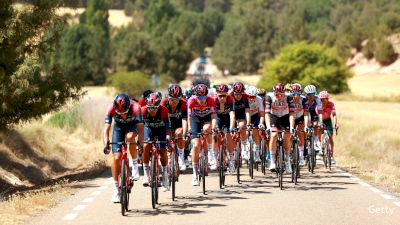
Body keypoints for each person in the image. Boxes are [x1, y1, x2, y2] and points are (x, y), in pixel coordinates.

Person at [103, 94, 144, 202]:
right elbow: (106, 129)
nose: (123, 116)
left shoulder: (136, 107)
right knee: (116, 158)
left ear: (128, 107)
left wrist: (140, 145)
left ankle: (134, 165)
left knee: (130, 137)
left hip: (132, 126)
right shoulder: (111, 108)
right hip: (118, 128)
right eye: (120, 113)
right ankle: (116, 189)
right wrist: (106, 144)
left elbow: (140, 130)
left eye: (125, 113)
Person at [141, 93, 171, 192]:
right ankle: (145, 173)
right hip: (148, 128)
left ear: (159, 106)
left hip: (161, 129)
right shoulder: (143, 110)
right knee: (146, 145)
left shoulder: (164, 110)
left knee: (162, 150)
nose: (152, 110)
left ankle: (165, 175)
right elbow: (140, 127)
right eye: (150, 108)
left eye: (154, 108)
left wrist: (167, 137)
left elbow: (167, 127)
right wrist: (140, 140)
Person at [187, 84, 217, 186]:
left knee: (207, 129)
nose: (202, 100)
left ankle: (210, 153)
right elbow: (189, 116)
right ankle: (195, 174)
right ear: (196, 96)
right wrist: (190, 129)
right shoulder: (191, 100)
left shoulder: (211, 100)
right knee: (195, 145)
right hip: (195, 120)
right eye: (200, 97)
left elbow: (213, 117)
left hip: (207, 119)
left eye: (204, 97)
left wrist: (213, 128)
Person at [265, 83, 295, 173]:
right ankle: (273, 161)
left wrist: (292, 126)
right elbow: (266, 113)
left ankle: (287, 160)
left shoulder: (289, 98)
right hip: (274, 117)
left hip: (285, 117)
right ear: (274, 93)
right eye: (277, 94)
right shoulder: (269, 97)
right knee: (273, 135)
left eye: (281, 94)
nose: (280, 96)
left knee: (286, 137)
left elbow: (292, 114)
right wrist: (268, 127)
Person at [161, 84, 188, 171]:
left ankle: (181, 158)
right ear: (168, 97)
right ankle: (168, 157)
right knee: (167, 138)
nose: (174, 101)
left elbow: (184, 120)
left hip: (178, 123)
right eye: (172, 99)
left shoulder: (183, 103)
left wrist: (184, 133)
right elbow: (162, 121)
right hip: (166, 122)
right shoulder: (163, 103)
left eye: (177, 99)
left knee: (179, 133)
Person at [212, 84, 236, 172]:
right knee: (215, 135)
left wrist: (231, 128)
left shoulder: (230, 99)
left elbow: (232, 115)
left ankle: (231, 160)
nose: (222, 98)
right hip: (217, 119)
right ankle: (214, 158)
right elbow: (213, 116)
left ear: (227, 95)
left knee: (229, 135)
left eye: (224, 96)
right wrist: (213, 128)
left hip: (228, 119)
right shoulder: (213, 100)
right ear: (216, 95)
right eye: (220, 96)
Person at [229, 82, 251, 161]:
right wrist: (232, 126)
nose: (238, 96)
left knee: (242, 126)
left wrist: (248, 124)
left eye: (240, 94)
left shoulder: (245, 97)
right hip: (231, 114)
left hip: (241, 113)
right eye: (236, 94)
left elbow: (248, 112)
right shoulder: (230, 96)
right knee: (230, 133)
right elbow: (232, 114)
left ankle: (244, 145)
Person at [290, 83, 309, 166]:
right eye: (294, 93)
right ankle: (288, 152)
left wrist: (306, 125)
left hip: (300, 117)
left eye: (298, 94)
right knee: (289, 135)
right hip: (290, 118)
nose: (296, 96)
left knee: (301, 133)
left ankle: (301, 157)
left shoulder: (304, 99)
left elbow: (306, 114)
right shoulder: (288, 99)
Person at [245, 86, 265, 163]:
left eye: (253, 97)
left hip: (255, 116)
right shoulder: (244, 99)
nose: (252, 99)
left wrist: (260, 123)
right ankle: (245, 151)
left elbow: (262, 114)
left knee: (256, 132)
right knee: (245, 132)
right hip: (245, 116)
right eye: (250, 97)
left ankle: (257, 154)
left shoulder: (259, 99)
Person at [318, 90, 338, 164]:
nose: (324, 101)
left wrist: (335, 124)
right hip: (320, 119)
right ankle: (320, 147)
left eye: (325, 99)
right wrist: (320, 123)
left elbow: (334, 115)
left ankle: (332, 156)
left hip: (328, 120)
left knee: (330, 138)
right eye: (322, 99)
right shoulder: (319, 105)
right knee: (319, 132)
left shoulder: (331, 104)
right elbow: (319, 115)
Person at [303, 85, 323, 155]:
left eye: (313, 94)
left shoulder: (317, 98)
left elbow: (320, 111)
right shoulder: (303, 98)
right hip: (304, 112)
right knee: (306, 126)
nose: (311, 96)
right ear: (306, 94)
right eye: (309, 94)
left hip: (312, 111)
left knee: (316, 124)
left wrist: (321, 122)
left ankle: (316, 140)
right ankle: (305, 141)